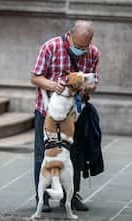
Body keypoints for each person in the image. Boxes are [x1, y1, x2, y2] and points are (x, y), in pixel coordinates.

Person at [30, 20, 100, 212]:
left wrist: (86, 86)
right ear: (69, 35)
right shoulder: (50, 47)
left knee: (75, 154)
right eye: (77, 46)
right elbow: (34, 77)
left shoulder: (93, 53)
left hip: (74, 115)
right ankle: (41, 197)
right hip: (47, 113)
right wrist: (54, 85)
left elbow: (95, 81)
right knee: (42, 154)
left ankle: (71, 196)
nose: (81, 50)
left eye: (84, 47)